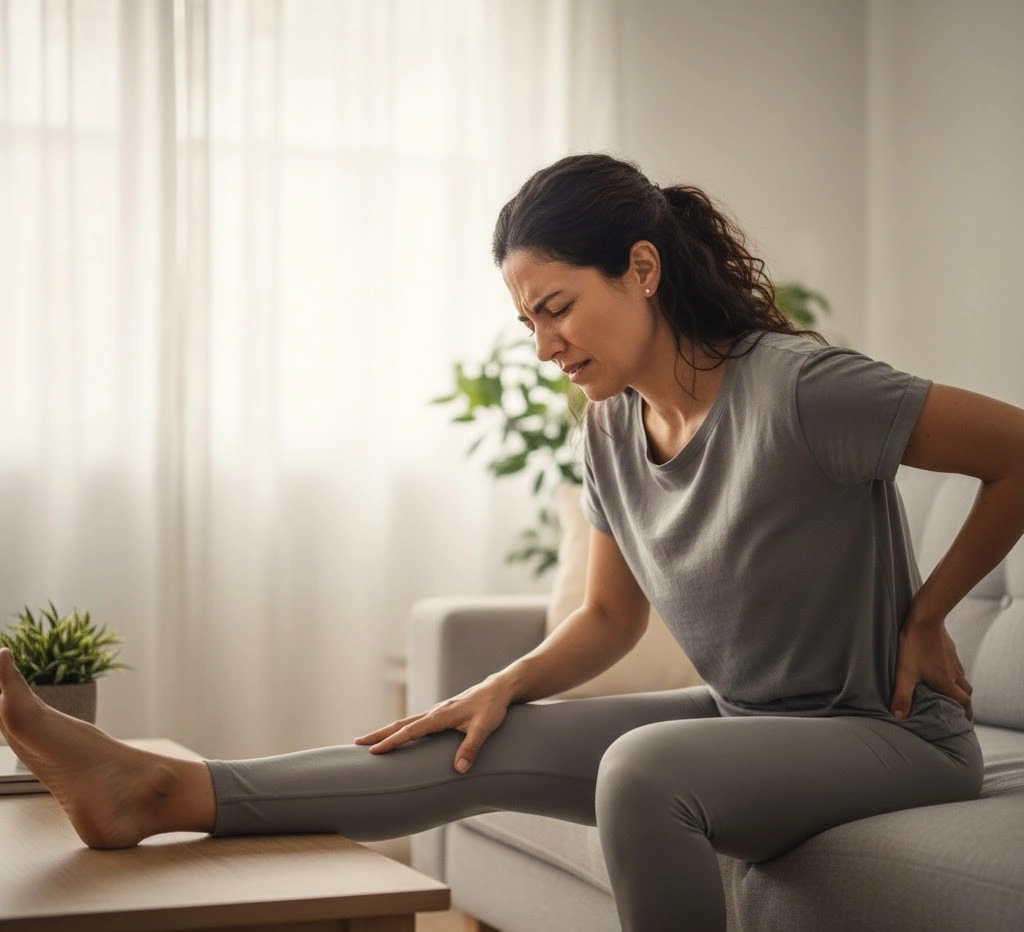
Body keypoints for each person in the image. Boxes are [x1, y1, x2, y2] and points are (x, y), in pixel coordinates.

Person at [1, 152, 1023, 932]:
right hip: (752, 716)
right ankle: (155, 789)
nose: (543, 346)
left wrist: (930, 611)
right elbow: (608, 618)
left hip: (897, 740)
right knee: (467, 736)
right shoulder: (610, 428)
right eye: (528, 320)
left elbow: (1015, 451)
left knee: (643, 768)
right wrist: (505, 683)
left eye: (557, 308)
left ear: (642, 269)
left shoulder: (800, 388)